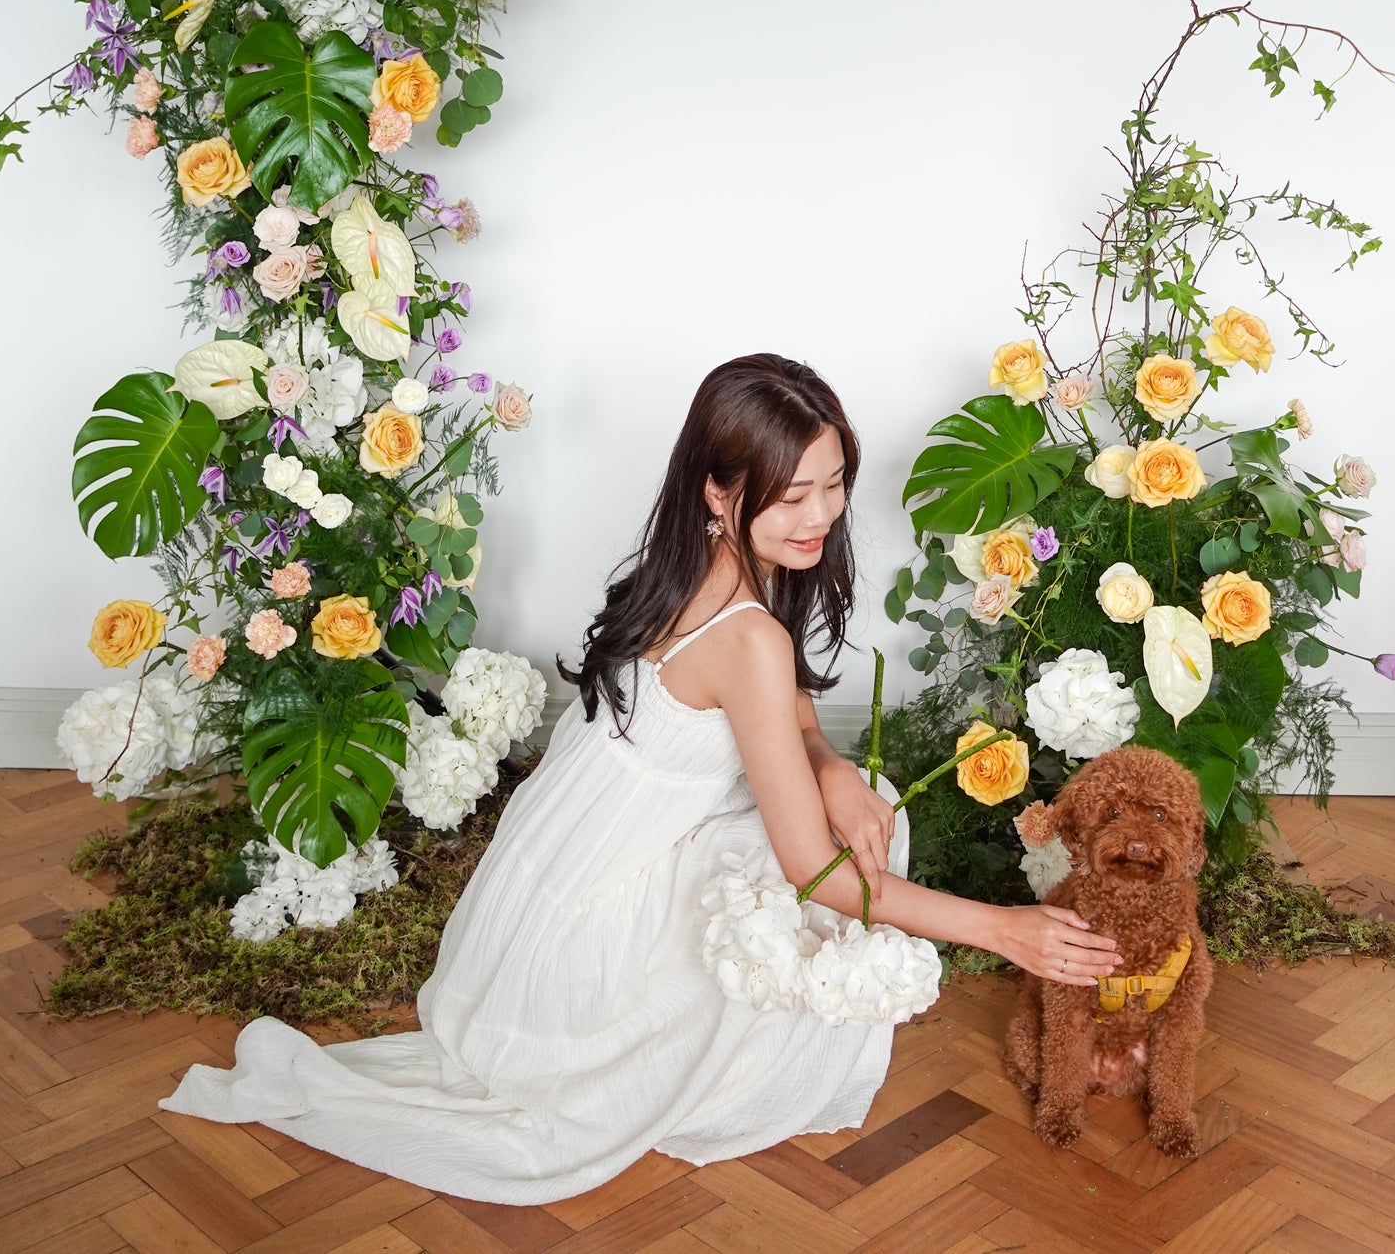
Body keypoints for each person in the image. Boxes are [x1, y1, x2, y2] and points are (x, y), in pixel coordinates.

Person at [162, 353, 1121, 1203]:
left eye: (833, 484)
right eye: (791, 495)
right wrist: (1005, 929)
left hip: (540, 894)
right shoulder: (747, 629)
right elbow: (815, 876)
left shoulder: (701, 563)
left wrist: (827, 764)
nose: (821, 515)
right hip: (587, 940)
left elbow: (780, 696)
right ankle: (701, 1062)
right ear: (719, 490)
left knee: (860, 799)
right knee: (862, 851)